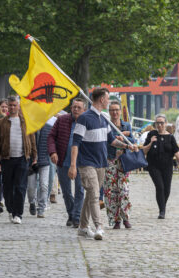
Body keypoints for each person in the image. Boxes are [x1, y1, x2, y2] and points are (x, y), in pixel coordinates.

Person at [68, 88, 137, 240]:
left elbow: (111, 140)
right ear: (101, 100)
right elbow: (75, 143)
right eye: (107, 98)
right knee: (94, 195)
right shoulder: (84, 118)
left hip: (101, 164)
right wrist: (73, 165)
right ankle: (99, 226)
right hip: (86, 164)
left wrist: (127, 146)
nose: (108, 101)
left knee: (90, 195)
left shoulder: (104, 119)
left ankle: (83, 227)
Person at [0, 97, 37, 225]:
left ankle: (18, 214)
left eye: (14, 105)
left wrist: (34, 156)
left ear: (18, 106)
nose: (12, 108)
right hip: (7, 159)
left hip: (23, 158)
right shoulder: (1, 122)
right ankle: (11, 209)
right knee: (7, 187)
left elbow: (32, 139)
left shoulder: (26, 121)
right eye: (10, 105)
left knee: (20, 186)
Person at [48, 99, 87, 228]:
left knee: (79, 190)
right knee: (66, 191)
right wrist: (53, 152)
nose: (76, 109)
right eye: (74, 107)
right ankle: (71, 213)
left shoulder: (87, 122)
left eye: (79, 108)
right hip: (63, 161)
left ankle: (76, 217)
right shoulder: (62, 120)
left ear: (84, 110)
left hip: (81, 162)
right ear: (71, 108)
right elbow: (51, 137)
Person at [143, 114, 179, 219]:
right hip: (153, 165)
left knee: (167, 189)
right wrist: (151, 142)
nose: (160, 125)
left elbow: (176, 152)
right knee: (160, 187)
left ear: (166, 124)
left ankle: (162, 205)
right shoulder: (151, 134)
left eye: (162, 123)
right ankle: (162, 211)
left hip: (167, 166)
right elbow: (144, 150)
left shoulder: (170, 137)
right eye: (158, 123)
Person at [104, 100, 135, 229]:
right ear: (109, 112)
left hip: (123, 161)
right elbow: (105, 141)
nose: (115, 112)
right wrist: (118, 139)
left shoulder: (126, 125)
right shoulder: (106, 125)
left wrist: (126, 138)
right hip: (110, 160)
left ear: (120, 112)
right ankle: (115, 220)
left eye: (117, 110)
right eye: (112, 110)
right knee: (112, 192)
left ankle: (125, 217)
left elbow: (133, 140)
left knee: (124, 190)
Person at [27, 118, 54, 218]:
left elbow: (52, 143)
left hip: (44, 161)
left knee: (44, 185)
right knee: (31, 187)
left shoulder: (49, 128)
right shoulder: (29, 128)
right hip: (31, 162)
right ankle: (32, 203)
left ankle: (41, 207)